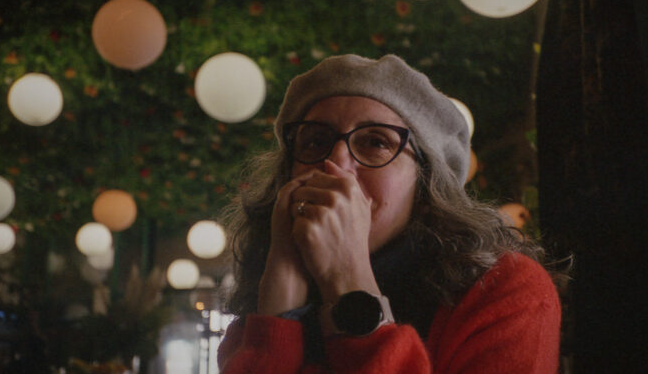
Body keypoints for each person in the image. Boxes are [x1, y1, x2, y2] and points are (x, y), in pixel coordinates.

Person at [218, 54, 561, 373]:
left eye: (376, 142)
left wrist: (348, 284)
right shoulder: (262, 303)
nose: (336, 163)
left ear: (426, 187)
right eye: (315, 141)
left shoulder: (504, 290)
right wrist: (279, 316)